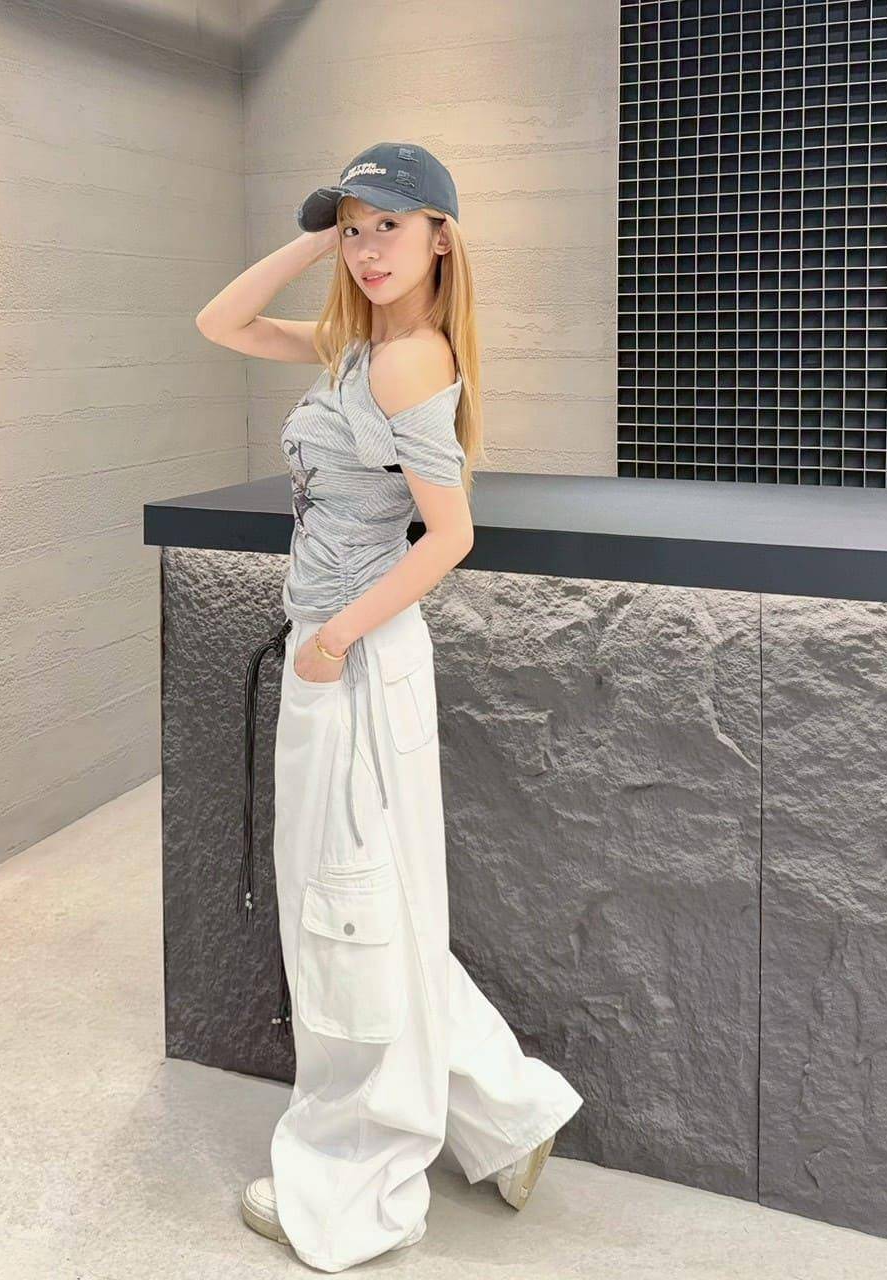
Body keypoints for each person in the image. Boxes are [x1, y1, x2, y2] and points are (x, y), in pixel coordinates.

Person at [195, 141, 583, 1273]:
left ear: (441, 238)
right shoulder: (357, 344)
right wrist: (319, 237)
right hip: (351, 660)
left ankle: (360, 1178)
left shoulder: (409, 361)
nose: (368, 251)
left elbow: (450, 535)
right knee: (380, 912)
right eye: (355, 230)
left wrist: (331, 640)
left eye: (390, 227)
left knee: (345, 920)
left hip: (353, 663)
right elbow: (220, 322)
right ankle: (507, 1114)